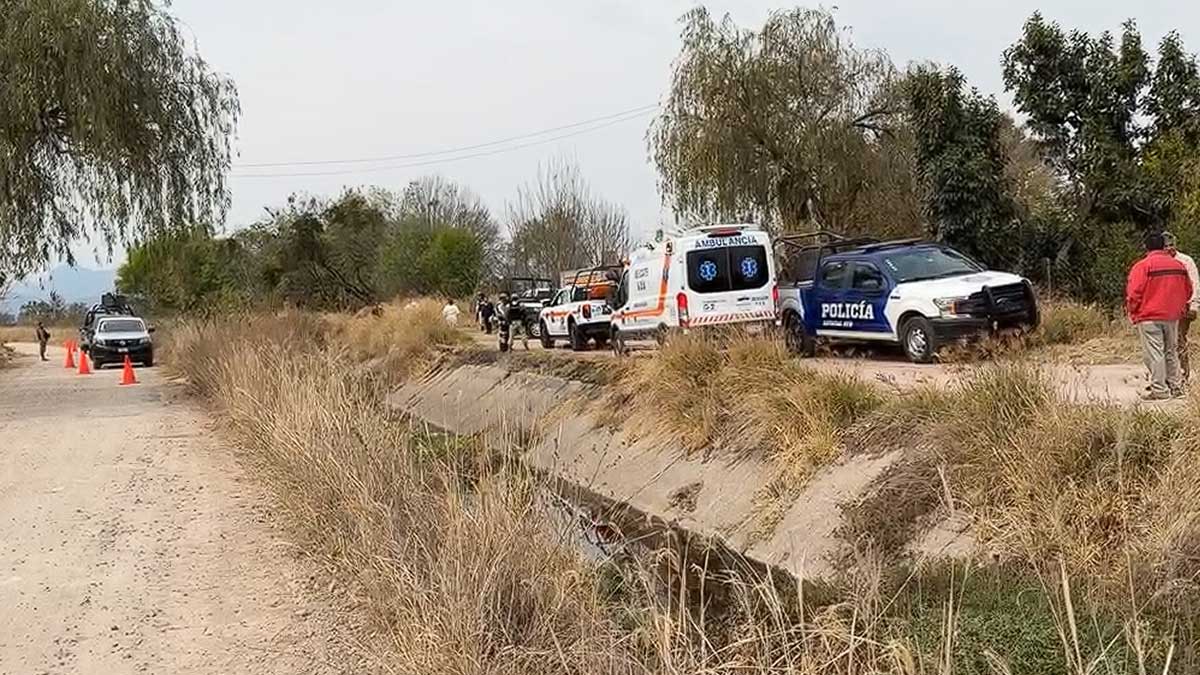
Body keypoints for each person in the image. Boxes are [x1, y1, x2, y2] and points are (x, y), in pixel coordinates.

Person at [1127, 232, 1193, 400]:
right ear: (1164, 246)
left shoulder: (1142, 266)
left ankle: (1160, 389)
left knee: (1155, 353)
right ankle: (1177, 387)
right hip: (1172, 316)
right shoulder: (1179, 265)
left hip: (1149, 316)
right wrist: (1181, 308)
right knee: (1171, 351)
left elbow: (1134, 293)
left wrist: (1133, 312)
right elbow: (1188, 290)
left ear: (1146, 247)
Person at [1164, 231, 1200, 380]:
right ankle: (1166, 377)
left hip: (1183, 306)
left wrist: (1194, 306)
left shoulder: (1185, 260)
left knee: (1179, 340)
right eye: (1166, 246)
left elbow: (1195, 282)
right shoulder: (1159, 262)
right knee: (1164, 343)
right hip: (1164, 308)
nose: (1169, 248)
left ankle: (1184, 375)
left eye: (1171, 245)